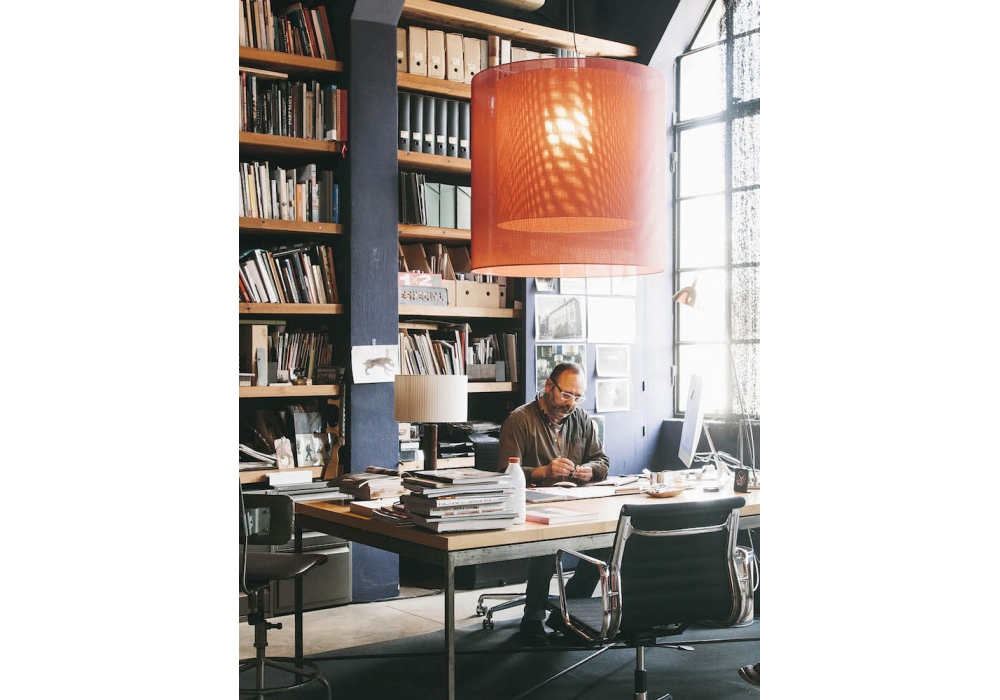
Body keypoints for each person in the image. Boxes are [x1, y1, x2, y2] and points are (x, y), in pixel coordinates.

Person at [496, 362, 610, 646]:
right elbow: (504, 474)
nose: (570, 403)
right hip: (533, 506)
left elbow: (602, 461)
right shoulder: (519, 420)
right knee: (546, 546)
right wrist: (543, 472)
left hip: (575, 502)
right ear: (549, 386)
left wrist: (590, 470)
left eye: (577, 397)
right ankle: (532, 619)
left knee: (606, 544)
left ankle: (567, 613)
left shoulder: (581, 418)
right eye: (566, 394)